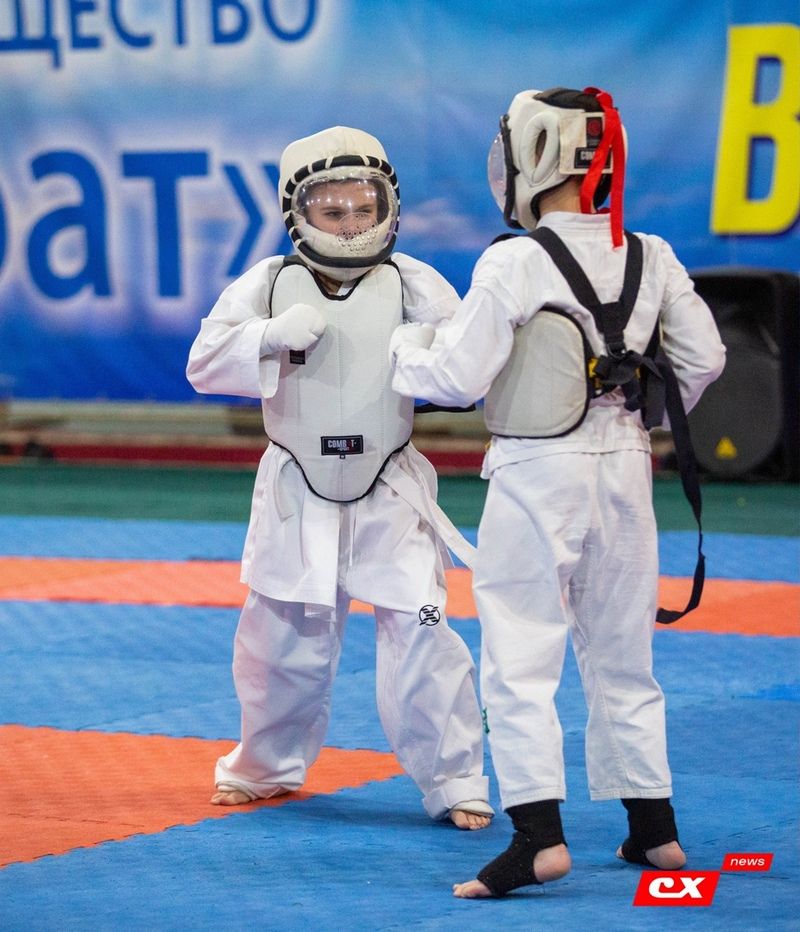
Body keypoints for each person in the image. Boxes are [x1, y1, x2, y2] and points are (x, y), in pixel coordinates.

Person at [390, 87, 726, 894]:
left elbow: (457, 378)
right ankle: (655, 831)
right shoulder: (651, 254)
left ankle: (538, 839)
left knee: (520, 655)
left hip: (537, 470)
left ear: (529, 159)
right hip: (626, 468)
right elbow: (705, 359)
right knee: (623, 655)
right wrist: (633, 407)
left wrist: (405, 349)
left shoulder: (515, 261)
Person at [186, 126, 494, 831]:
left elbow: (467, 374)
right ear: (297, 212)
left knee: (424, 631)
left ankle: (455, 779)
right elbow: (202, 363)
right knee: (280, 640)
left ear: (389, 206)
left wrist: (422, 353)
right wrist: (265, 337)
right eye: (333, 211)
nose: (352, 224)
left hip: (391, 487)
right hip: (297, 488)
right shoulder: (268, 283)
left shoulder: (413, 281)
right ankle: (263, 767)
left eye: (364, 208)